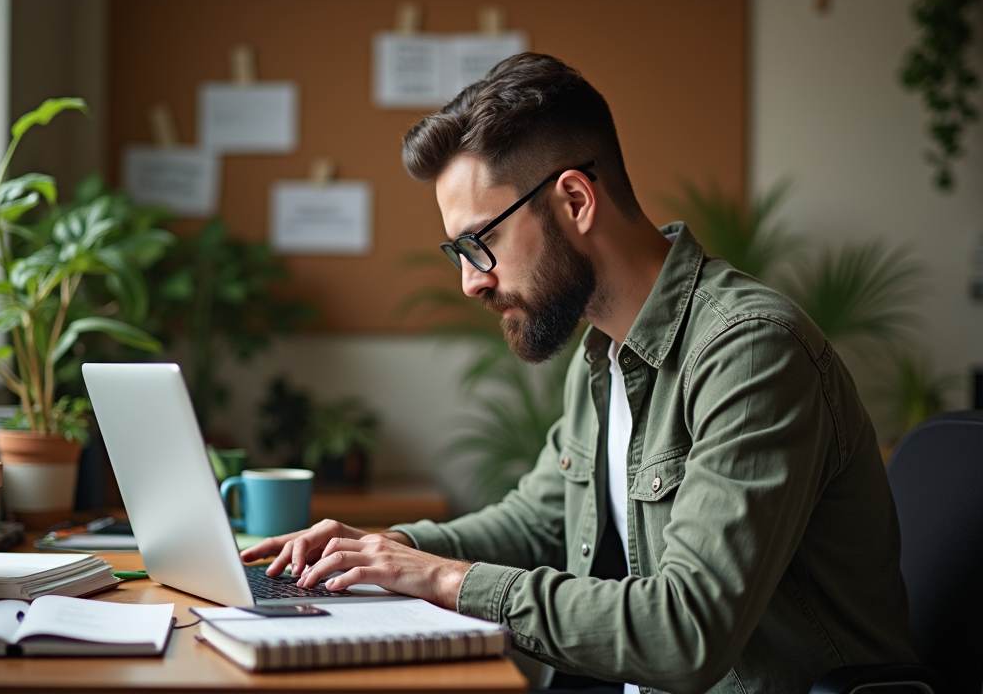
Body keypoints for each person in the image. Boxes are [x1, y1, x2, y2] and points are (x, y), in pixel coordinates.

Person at [241, 53, 917, 693]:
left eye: (482, 243)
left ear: (573, 201)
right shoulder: (604, 353)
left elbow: (685, 631)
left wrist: (442, 579)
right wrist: (388, 547)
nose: (471, 283)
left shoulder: (749, 354)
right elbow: (538, 524)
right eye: (457, 251)